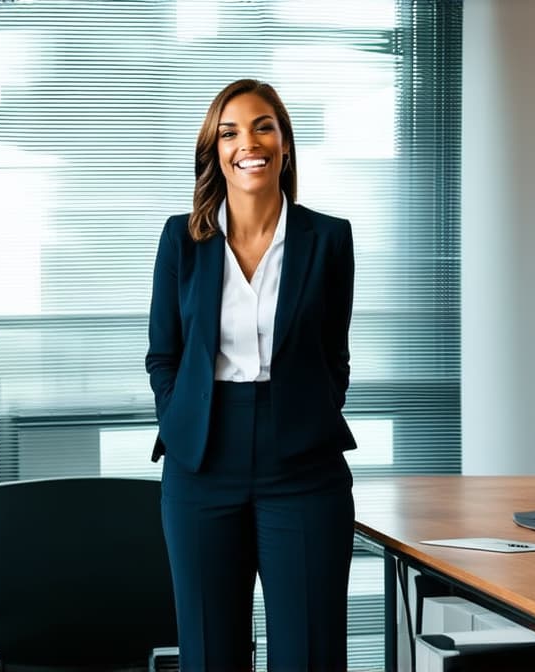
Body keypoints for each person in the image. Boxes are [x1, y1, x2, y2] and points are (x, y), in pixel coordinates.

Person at [146, 78, 356, 672]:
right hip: (202, 462)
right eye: (230, 131)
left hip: (303, 467)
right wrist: (182, 420)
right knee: (211, 655)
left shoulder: (328, 239)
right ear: (215, 149)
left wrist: (307, 416)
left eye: (263, 125)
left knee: (309, 655)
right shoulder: (181, 240)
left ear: (284, 143)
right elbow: (164, 355)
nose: (249, 142)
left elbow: (334, 355)